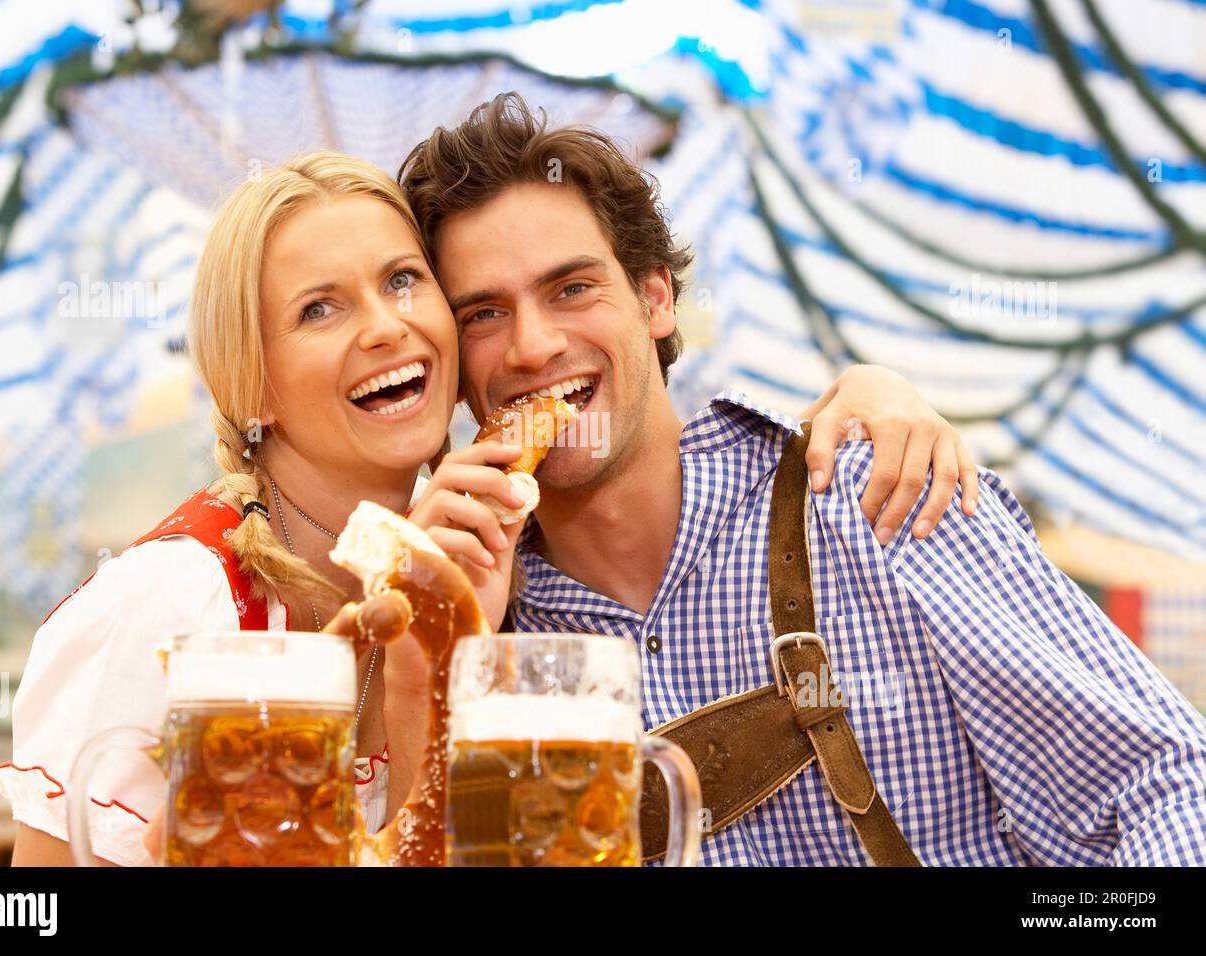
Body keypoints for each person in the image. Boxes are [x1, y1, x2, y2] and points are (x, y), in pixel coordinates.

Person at [0, 151, 977, 866]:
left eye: (403, 280)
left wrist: (873, 388)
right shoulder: (170, 600)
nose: (386, 326)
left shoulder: (479, 572)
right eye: (319, 307)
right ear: (247, 382)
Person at [397, 92, 1206, 865]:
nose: (533, 346)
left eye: (572, 288)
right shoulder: (480, 627)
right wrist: (448, 648)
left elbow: (1158, 782)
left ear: (655, 299)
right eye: (484, 315)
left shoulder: (877, 500)